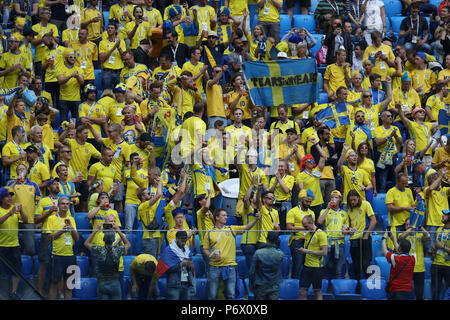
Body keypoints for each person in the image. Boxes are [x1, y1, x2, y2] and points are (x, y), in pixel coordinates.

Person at [202, 208, 261, 300]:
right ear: (217, 217)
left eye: (226, 215)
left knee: (231, 295)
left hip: (230, 267)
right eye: (223, 215)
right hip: (214, 267)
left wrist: (256, 220)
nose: (226, 217)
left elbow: (246, 227)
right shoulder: (209, 233)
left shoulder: (231, 229)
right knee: (212, 295)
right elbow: (204, 249)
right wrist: (210, 255)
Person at [84, 218, 131, 300]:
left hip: (102, 283)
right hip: (115, 283)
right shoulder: (117, 250)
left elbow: (86, 243)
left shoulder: (99, 250)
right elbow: (128, 244)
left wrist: (95, 230)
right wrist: (118, 230)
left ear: (103, 239)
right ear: (113, 240)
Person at [46, 196, 79, 300]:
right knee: (54, 285)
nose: (65, 206)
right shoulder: (51, 218)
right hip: (57, 256)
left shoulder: (72, 219)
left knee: (69, 287)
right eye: (63, 204)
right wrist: (62, 231)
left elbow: (77, 238)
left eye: (67, 204)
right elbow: (48, 237)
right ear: (58, 205)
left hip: (70, 256)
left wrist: (72, 229)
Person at [344, 189, 377, 286]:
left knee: (366, 264)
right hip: (354, 239)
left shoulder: (366, 204)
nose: (352, 202)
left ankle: (368, 286)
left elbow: (373, 220)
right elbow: (349, 225)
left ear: (358, 197)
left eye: (354, 200)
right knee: (356, 265)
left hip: (364, 238)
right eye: (350, 200)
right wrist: (348, 230)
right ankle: (358, 288)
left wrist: (366, 234)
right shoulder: (349, 209)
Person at [0, 187, 27, 300]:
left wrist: (21, 211)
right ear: (1, 198)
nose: (10, 198)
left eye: (11, 196)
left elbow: (25, 221)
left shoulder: (15, 210)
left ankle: (14, 292)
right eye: (7, 196)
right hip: (1, 245)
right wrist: (10, 213)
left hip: (14, 245)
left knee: (17, 270)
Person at [317, 190, 348, 279]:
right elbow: (319, 222)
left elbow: (346, 229)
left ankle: (337, 289)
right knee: (323, 266)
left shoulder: (344, 213)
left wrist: (345, 230)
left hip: (339, 243)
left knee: (338, 269)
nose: (333, 199)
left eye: (336, 197)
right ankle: (322, 287)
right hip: (327, 242)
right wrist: (327, 208)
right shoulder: (324, 210)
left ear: (340, 200)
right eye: (332, 197)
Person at [287, 189, 316, 280]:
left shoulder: (311, 213)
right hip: (297, 240)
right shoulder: (293, 211)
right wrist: (304, 228)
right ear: (301, 200)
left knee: (307, 266)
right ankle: (294, 284)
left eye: (310, 202)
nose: (308, 203)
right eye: (307, 201)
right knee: (298, 265)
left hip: (308, 241)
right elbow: (289, 227)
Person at [298, 214, 328, 300]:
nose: (304, 228)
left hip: (317, 268)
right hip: (306, 267)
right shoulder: (308, 234)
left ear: (311, 223)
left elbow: (324, 252)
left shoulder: (321, 234)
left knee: (317, 291)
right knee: (302, 291)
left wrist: (306, 251)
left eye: (306, 226)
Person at [158, 230, 195, 300]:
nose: (184, 243)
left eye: (185, 240)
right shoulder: (169, 250)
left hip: (185, 283)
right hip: (174, 286)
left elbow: (189, 268)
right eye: (182, 240)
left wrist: (190, 266)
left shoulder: (186, 250)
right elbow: (166, 269)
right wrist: (180, 264)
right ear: (177, 238)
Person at [248, 231, 284, 300]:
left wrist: (251, 286)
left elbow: (251, 272)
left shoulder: (258, 253)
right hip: (274, 285)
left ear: (267, 239)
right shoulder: (280, 254)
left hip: (260, 285)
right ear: (277, 240)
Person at [382, 229, 416, 300]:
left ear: (400, 249)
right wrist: (393, 239)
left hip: (395, 291)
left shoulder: (395, 259)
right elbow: (401, 250)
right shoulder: (413, 258)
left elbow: (384, 250)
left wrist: (384, 238)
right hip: (408, 291)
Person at [56, 49, 84, 124]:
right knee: (63, 121)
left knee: (76, 121)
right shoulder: (60, 68)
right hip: (64, 99)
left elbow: (82, 82)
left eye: (74, 57)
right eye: (71, 57)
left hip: (76, 99)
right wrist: (71, 76)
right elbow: (60, 81)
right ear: (66, 58)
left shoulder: (79, 69)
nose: (73, 59)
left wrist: (77, 76)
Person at [430, 209, 450, 300]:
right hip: (436, 264)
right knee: (435, 292)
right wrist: (434, 248)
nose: (442, 216)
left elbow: (441, 246)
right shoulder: (438, 230)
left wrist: (441, 247)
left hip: (448, 266)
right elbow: (435, 247)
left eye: (445, 215)